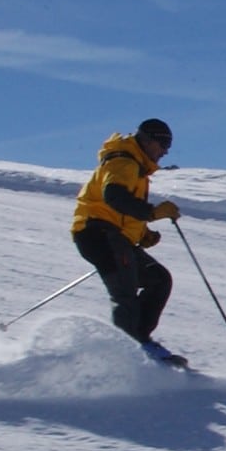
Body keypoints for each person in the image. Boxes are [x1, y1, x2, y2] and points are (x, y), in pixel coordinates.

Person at [71, 118, 184, 364]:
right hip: (97, 233)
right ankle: (129, 354)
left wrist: (142, 234)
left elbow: (122, 210)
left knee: (158, 279)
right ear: (147, 140)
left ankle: (139, 341)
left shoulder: (136, 167)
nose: (165, 151)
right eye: (162, 144)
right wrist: (153, 213)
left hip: (111, 235)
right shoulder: (123, 162)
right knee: (125, 293)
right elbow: (115, 198)